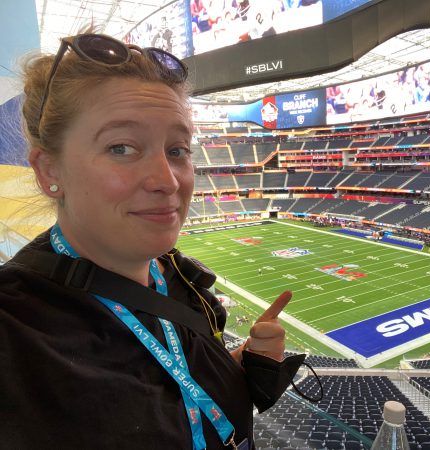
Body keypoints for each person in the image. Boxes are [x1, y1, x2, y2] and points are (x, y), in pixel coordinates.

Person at [1, 32, 303, 449]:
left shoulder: (180, 277)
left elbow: (180, 395)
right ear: (49, 169)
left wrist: (246, 365)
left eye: (178, 150)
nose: (167, 180)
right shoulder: (15, 330)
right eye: (121, 147)